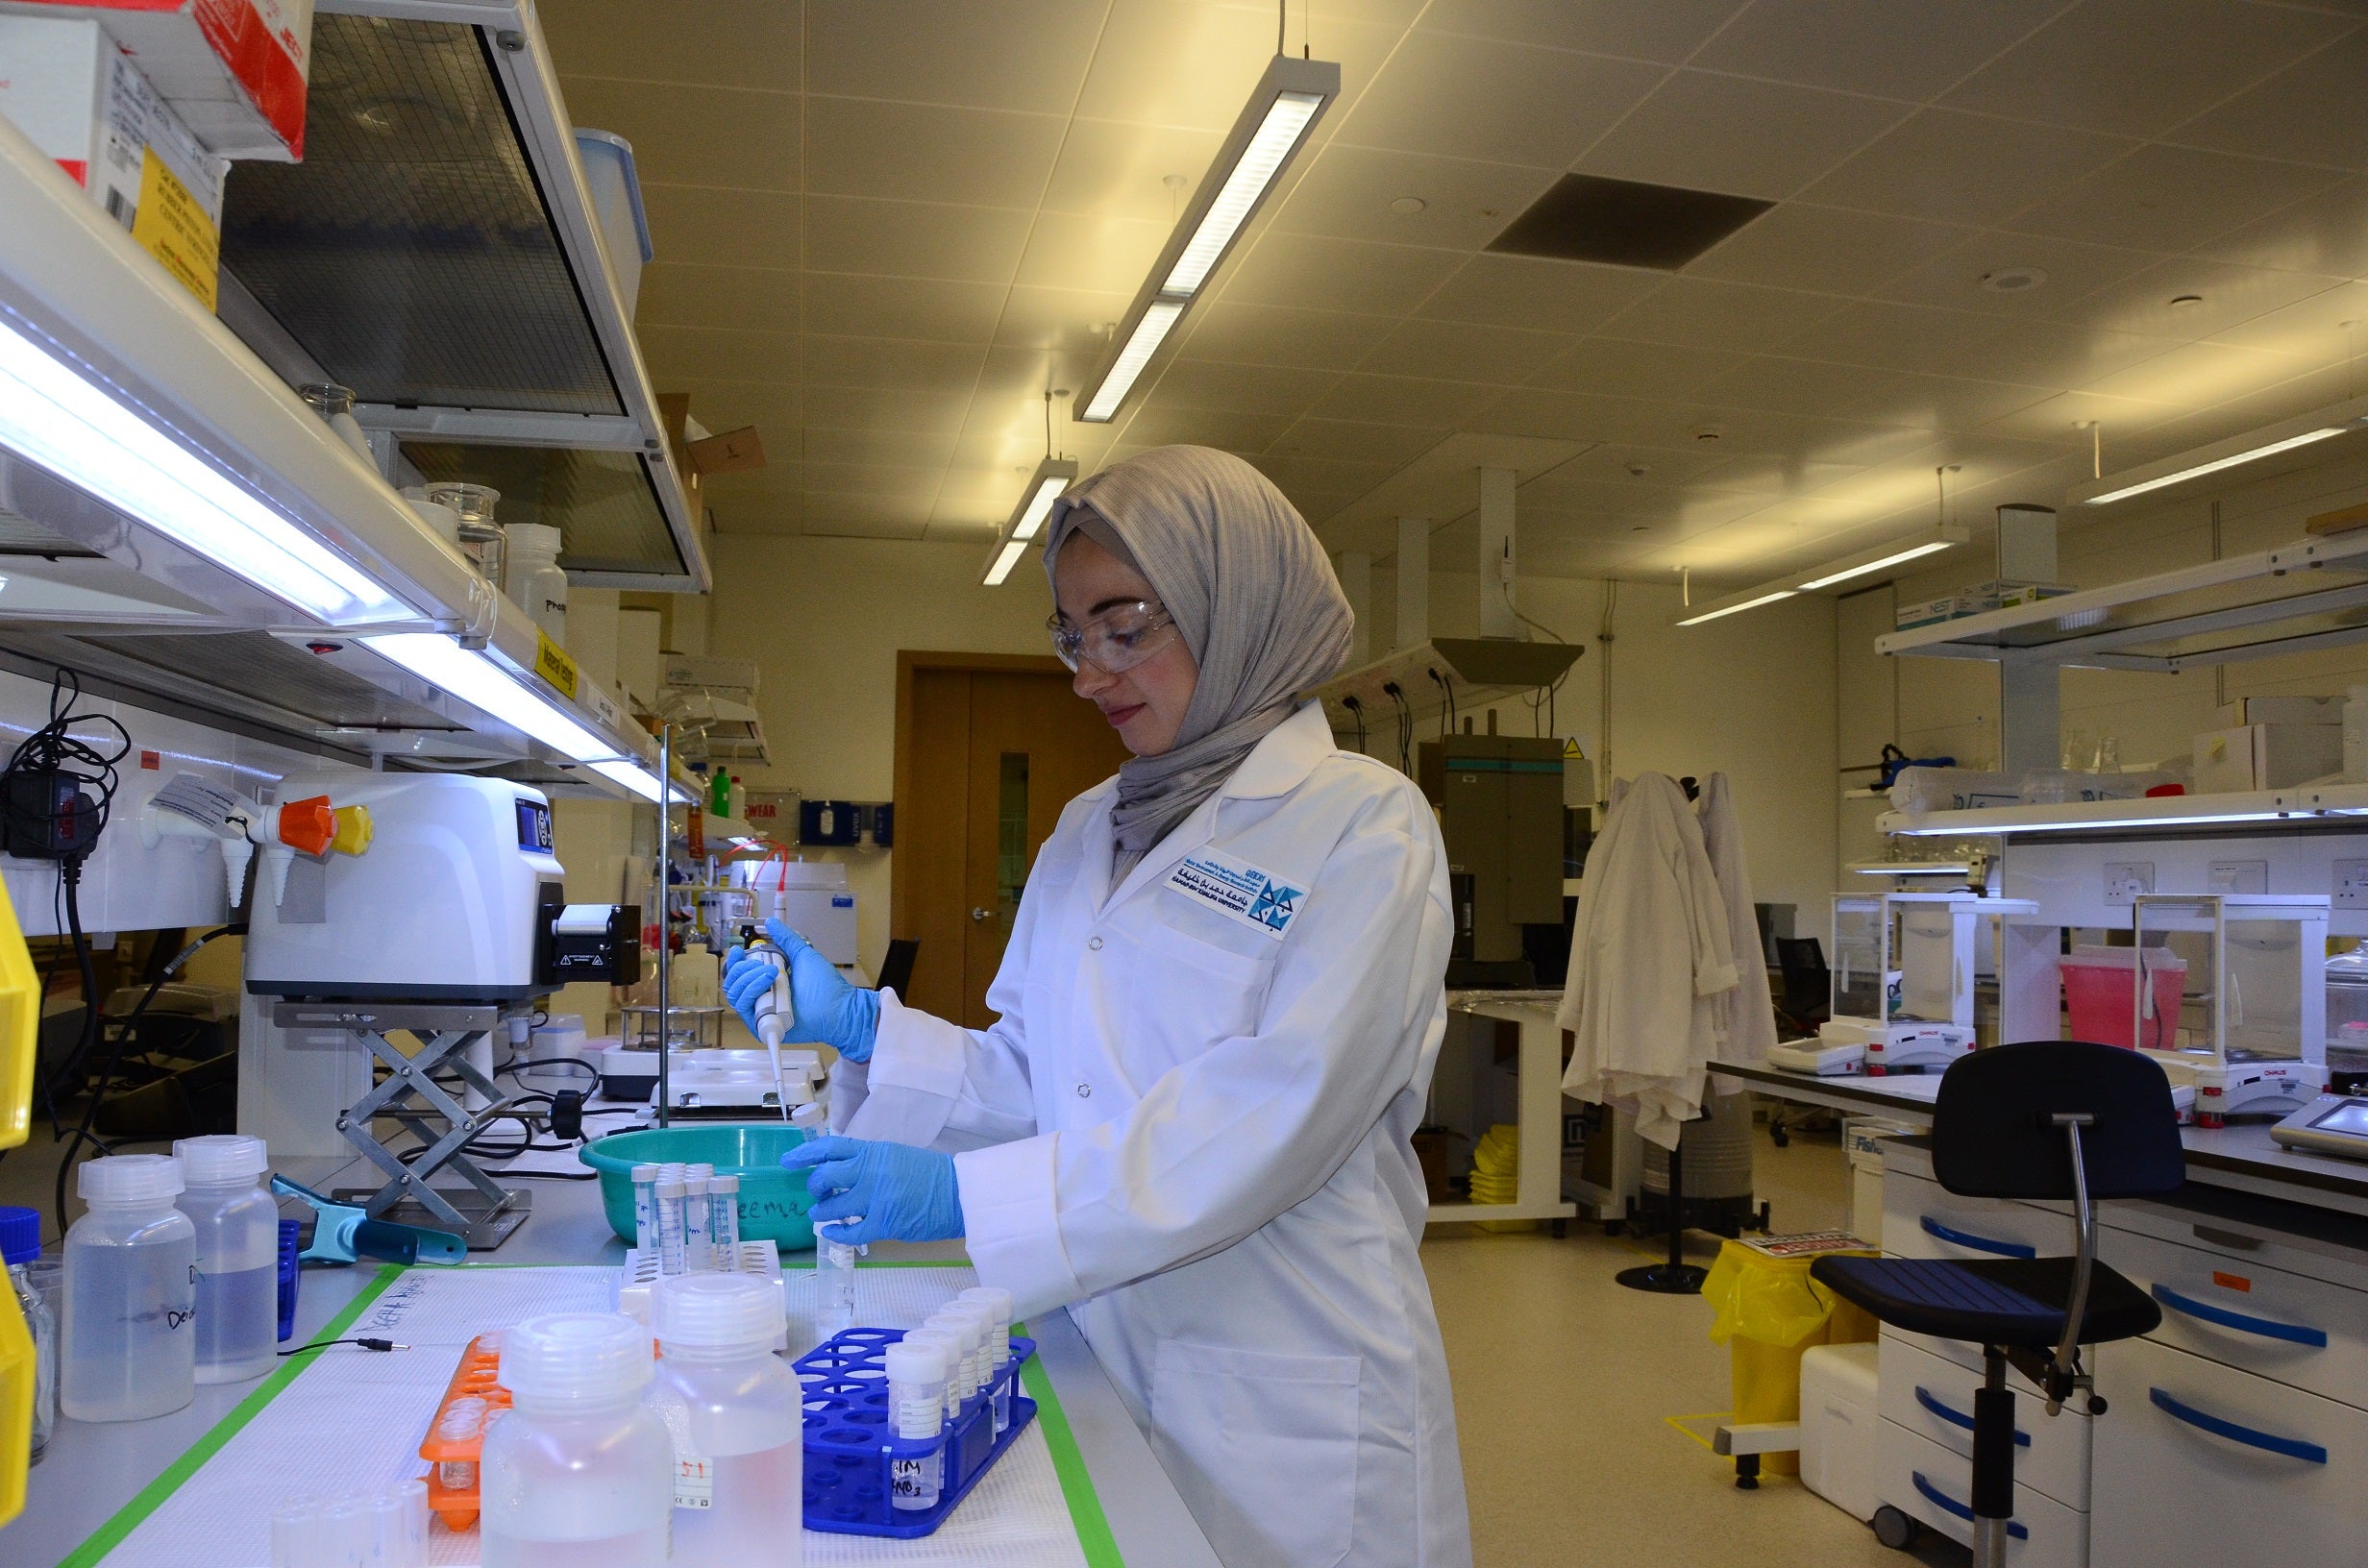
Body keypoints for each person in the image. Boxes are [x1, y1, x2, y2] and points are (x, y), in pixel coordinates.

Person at [726, 445, 1471, 1568]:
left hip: (1281, 1370)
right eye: (1072, 635)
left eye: (1124, 625)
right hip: (1093, 1336)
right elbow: (1044, 1074)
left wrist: (964, 1198)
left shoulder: (1365, 826)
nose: (1089, 674)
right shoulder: (1088, 826)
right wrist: (870, 1029)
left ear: (1237, 606)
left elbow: (1276, 1113)